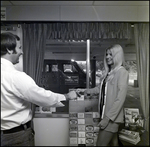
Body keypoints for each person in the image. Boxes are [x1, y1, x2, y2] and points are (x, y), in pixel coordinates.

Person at [1, 32, 77, 146]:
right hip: (17, 136)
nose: (22, 52)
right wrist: (67, 96)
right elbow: (42, 97)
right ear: (9, 50)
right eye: (20, 47)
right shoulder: (15, 76)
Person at [76, 44, 129, 146]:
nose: (107, 57)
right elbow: (99, 89)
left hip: (111, 119)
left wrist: (107, 119)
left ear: (117, 56)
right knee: (114, 143)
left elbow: (120, 99)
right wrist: (84, 91)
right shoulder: (109, 73)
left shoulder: (122, 73)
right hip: (105, 116)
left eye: (111, 54)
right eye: (106, 54)